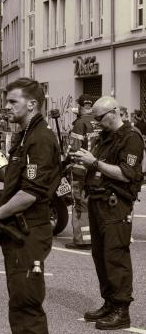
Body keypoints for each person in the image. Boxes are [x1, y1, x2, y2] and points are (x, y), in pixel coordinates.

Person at [0, 78, 61, 334]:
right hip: (19, 232)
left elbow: (31, 193)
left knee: (27, 306)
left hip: (28, 233)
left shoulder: (40, 139)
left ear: (32, 104)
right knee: (20, 305)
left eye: (13, 102)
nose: (7, 107)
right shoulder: (26, 136)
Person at [71, 96, 143, 331]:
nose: (98, 123)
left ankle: (122, 310)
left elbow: (126, 174)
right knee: (100, 255)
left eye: (100, 118)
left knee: (115, 256)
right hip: (98, 200)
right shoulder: (105, 137)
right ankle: (109, 302)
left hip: (116, 204)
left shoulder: (131, 138)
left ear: (113, 113)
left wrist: (94, 163)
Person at [65, 94, 100, 250]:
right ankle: (96, 237)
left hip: (81, 170)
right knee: (94, 204)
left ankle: (83, 240)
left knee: (80, 205)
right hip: (99, 170)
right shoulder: (100, 122)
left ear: (80, 107)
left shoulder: (80, 123)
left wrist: (64, 161)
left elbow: (73, 149)